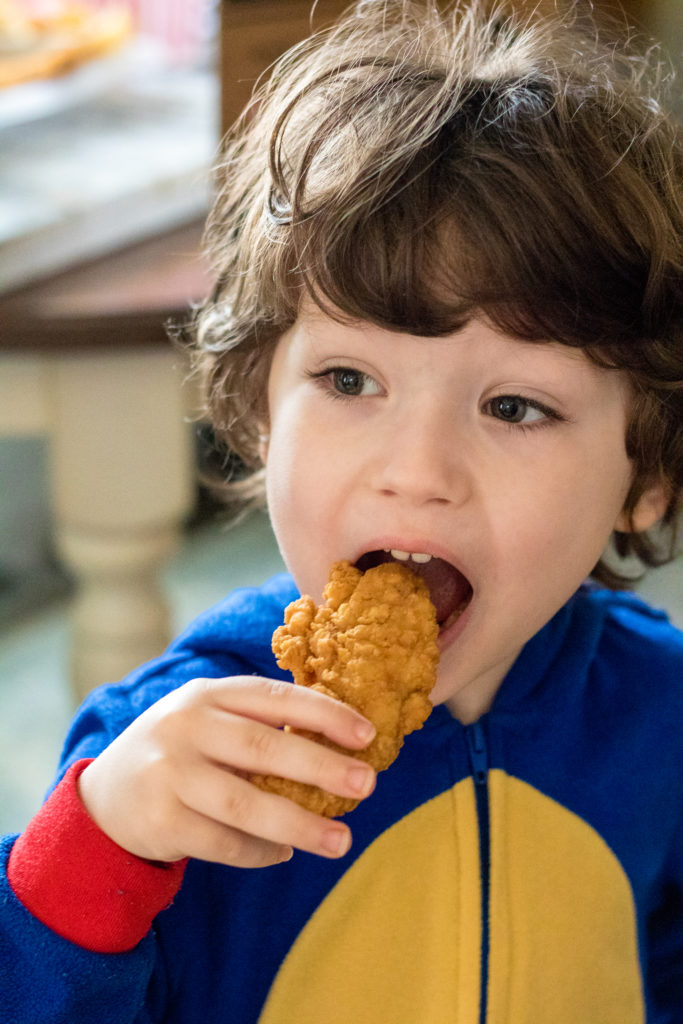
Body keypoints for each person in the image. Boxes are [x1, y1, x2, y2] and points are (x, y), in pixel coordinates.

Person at [1, 1, 681, 1021]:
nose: (416, 471)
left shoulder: (656, 711)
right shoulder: (168, 761)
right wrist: (96, 844)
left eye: (513, 405)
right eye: (350, 380)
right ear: (260, 410)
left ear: (643, 479)